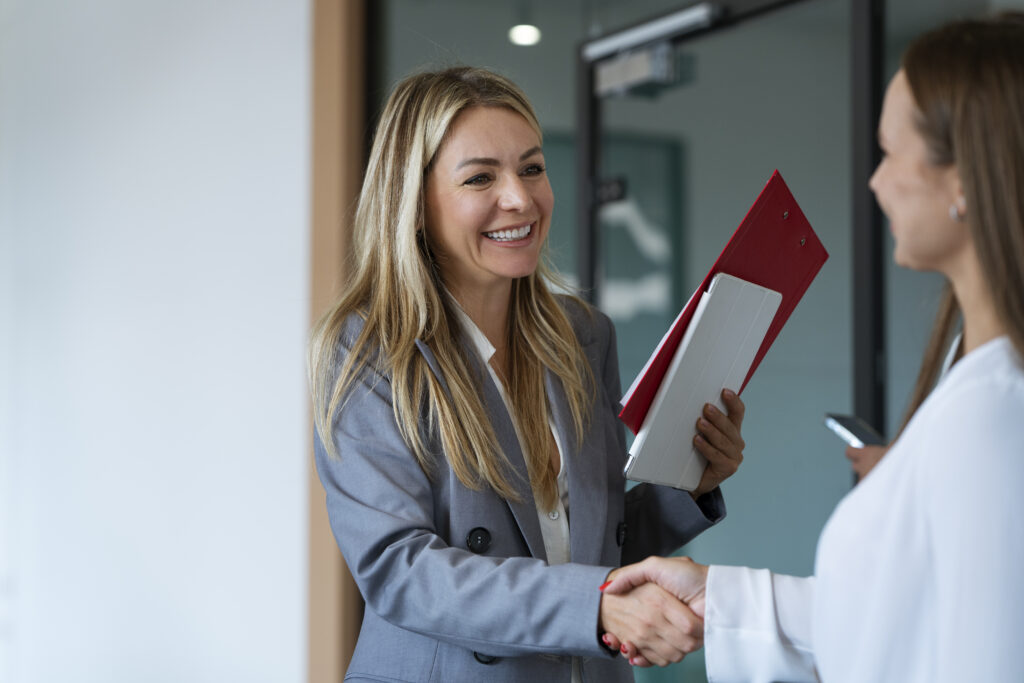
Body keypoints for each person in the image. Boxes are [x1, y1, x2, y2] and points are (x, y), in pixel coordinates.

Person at [602, 13, 1024, 682]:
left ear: (964, 176)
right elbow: (893, 617)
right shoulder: (975, 381)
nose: (875, 182)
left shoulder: (994, 412)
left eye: (889, 154)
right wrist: (720, 597)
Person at [307, 66, 749, 682]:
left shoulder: (583, 335)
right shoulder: (368, 352)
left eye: (532, 168)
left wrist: (688, 486)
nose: (519, 198)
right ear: (414, 202)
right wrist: (593, 608)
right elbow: (400, 571)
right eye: (480, 177)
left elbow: (592, 544)